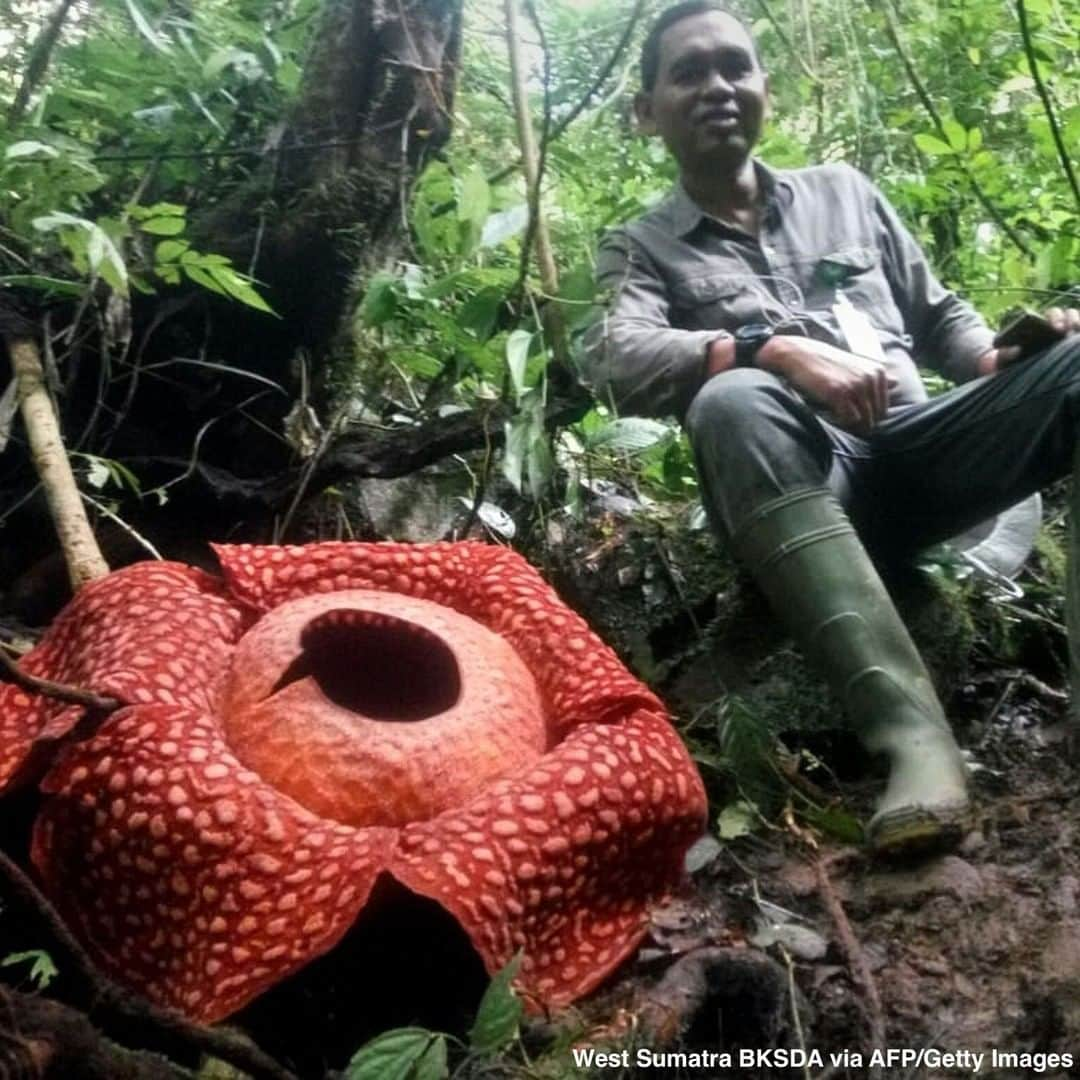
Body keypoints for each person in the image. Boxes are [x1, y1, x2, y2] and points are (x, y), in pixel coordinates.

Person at [584, 0, 1080, 856]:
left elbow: (941, 318)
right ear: (646, 111)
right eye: (688, 72)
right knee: (731, 398)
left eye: (736, 66)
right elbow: (613, 355)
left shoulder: (844, 193)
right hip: (804, 478)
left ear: (765, 86)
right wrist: (766, 349)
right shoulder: (642, 245)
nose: (718, 87)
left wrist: (1002, 359)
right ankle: (915, 744)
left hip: (923, 448)